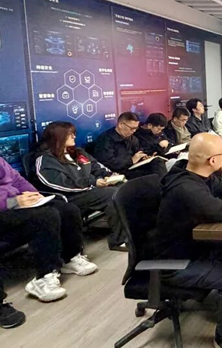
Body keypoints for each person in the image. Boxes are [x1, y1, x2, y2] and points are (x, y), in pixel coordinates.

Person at [155, 133, 222, 348]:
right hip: (177, 263)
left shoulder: (197, 174)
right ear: (213, 161)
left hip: (196, 246)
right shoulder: (187, 189)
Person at [2, 156, 98, 303]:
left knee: (68, 209)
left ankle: (69, 257)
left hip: (15, 204)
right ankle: (44, 277)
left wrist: (35, 195)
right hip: (5, 208)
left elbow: (17, 179)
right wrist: (12, 202)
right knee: (44, 217)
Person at [35, 122, 125, 250]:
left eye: (74, 133)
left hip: (90, 190)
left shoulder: (78, 152)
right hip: (71, 196)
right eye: (70, 134)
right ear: (58, 137)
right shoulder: (45, 159)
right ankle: (118, 241)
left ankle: (129, 232)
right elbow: (60, 183)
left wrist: (110, 176)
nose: (74, 137)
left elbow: (96, 166)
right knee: (111, 194)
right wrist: (92, 182)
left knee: (123, 187)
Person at [93, 112, 167, 179]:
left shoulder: (132, 138)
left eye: (136, 128)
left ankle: (165, 186)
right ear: (121, 125)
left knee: (157, 162)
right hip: (120, 171)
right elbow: (108, 163)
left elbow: (138, 152)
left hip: (133, 166)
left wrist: (143, 158)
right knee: (151, 175)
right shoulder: (106, 139)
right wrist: (131, 160)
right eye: (132, 128)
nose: (134, 131)